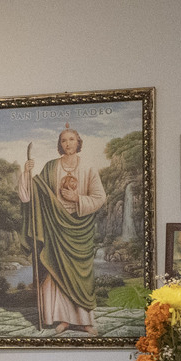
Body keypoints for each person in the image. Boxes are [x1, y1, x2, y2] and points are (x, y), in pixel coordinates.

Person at [17, 124, 108, 335]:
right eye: (64, 140)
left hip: (79, 227)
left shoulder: (88, 169)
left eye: (71, 140)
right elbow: (32, 195)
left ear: (78, 143)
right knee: (55, 273)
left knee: (80, 277)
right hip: (54, 227)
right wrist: (27, 173)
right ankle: (62, 319)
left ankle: (85, 321)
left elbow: (100, 198)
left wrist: (77, 199)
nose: (68, 144)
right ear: (60, 144)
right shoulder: (50, 167)